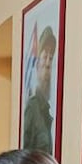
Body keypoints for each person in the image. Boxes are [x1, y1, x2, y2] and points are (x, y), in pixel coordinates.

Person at [22, 26, 57, 155]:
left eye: (51, 58)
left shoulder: (46, 112)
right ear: (37, 65)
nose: (48, 63)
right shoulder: (32, 107)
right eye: (45, 57)